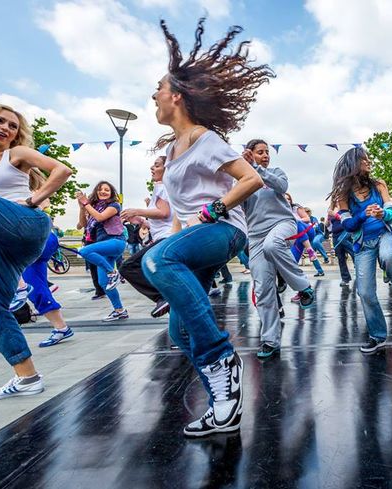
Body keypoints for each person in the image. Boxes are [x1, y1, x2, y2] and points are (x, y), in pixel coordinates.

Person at [141, 18, 270, 437]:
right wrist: (179, 234)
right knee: (180, 331)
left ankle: (221, 357)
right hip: (194, 238)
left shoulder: (203, 137)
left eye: (158, 89)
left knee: (157, 260)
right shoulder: (174, 149)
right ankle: (224, 405)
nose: (153, 96)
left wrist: (214, 210)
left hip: (224, 231)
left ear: (176, 96)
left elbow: (252, 179)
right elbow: (179, 208)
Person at [0, 100, 72, 399]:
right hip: (0, 242)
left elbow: (62, 170)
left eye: (13, 126)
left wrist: (34, 200)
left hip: (25, 223)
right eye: (0, 121)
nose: (5, 128)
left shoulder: (16, 154)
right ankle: (27, 377)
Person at [329, 147, 392, 354]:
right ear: (354, 164)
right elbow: (349, 226)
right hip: (363, 245)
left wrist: (383, 213)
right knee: (365, 292)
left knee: (388, 256)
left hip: (385, 235)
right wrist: (363, 215)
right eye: (365, 160)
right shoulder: (343, 195)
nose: (369, 162)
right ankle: (377, 335)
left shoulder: (379, 185)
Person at [241, 138, 315, 359]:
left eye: (266, 152)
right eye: (260, 152)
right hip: (255, 235)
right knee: (263, 289)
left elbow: (282, 187)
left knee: (272, 245)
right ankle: (270, 340)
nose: (265, 155)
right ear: (249, 153)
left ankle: (302, 287)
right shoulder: (242, 179)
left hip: (282, 225)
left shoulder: (276, 172)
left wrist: (256, 168)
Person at [118, 156, 174, 318]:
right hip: (165, 236)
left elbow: (164, 213)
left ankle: (162, 297)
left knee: (129, 267)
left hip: (167, 237)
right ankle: (169, 300)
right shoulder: (165, 187)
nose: (152, 168)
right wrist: (142, 221)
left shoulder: (162, 187)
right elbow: (164, 219)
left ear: (167, 169)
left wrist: (138, 211)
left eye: (156, 165)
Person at [76, 181, 128, 322]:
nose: (103, 192)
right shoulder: (94, 207)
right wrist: (82, 208)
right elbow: (82, 225)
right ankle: (120, 310)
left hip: (115, 242)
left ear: (111, 193)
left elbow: (100, 217)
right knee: (104, 283)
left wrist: (86, 204)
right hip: (103, 247)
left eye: (107, 190)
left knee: (84, 251)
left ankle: (113, 272)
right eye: (100, 190)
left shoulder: (114, 205)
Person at [328, 206, 354, 286]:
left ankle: (359, 270)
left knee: (353, 253)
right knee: (340, 257)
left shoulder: (346, 206)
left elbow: (350, 220)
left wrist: (335, 215)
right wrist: (328, 218)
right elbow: (328, 224)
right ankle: (345, 278)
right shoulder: (331, 209)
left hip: (345, 232)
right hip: (335, 234)